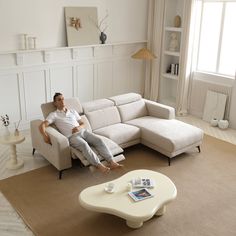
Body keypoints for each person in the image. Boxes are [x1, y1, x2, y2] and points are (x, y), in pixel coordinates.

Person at [39, 92, 122, 173]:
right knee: (84, 145)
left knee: (99, 140)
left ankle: (111, 162)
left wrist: (78, 127)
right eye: (59, 100)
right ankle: (99, 165)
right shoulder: (54, 114)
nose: (62, 101)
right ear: (55, 103)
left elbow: (82, 123)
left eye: (63, 99)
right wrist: (45, 135)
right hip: (72, 137)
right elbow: (42, 125)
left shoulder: (72, 111)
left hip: (83, 132)